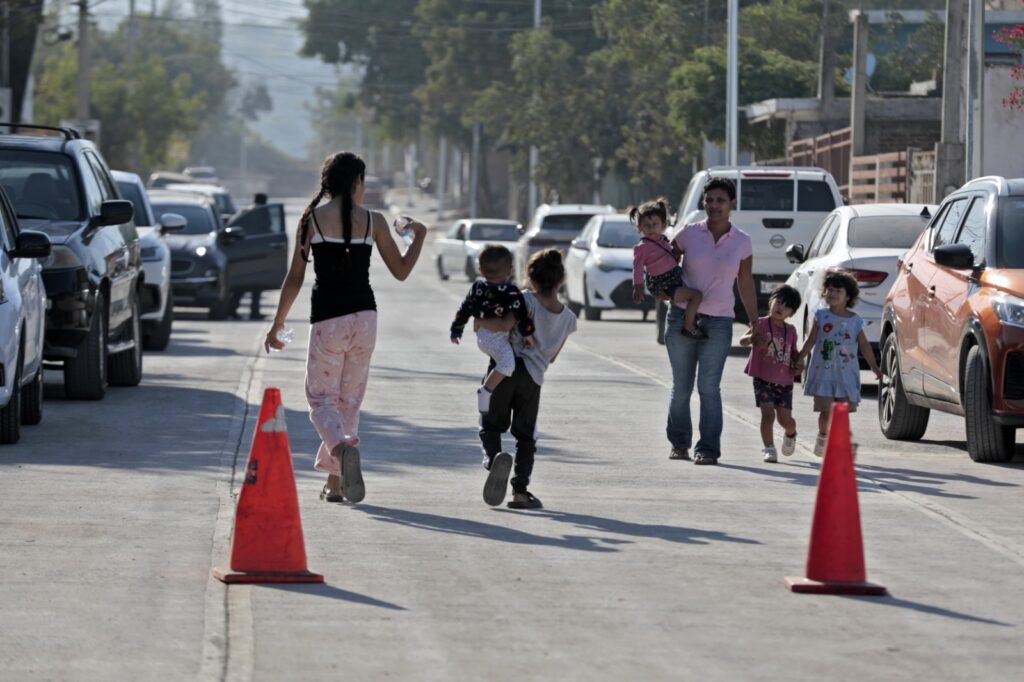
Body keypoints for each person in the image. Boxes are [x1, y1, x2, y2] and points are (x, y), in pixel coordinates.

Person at [264, 152, 427, 503]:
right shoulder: (375, 221)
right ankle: (335, 485)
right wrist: (420, 236)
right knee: (348, 402)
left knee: (321, 399)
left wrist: (277, 324)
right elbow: (401, 270)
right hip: (365, 319)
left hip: (328, 320)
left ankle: (340, 450)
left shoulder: (313, 220)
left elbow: (295, 277)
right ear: (356, 182)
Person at [665, 177, 760, 465]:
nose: (714, 206)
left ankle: (707, 448)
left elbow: (745, 283)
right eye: (709, 200)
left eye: (720, 200)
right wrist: (662, 291)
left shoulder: (742, 242)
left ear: (732, 204)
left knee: (708, 386)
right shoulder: (688, 234)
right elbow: (663, 264)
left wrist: (755, 321)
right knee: (681, 386)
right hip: (681, 317)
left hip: (719, 321)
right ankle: (679, 443)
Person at [479, 249, 577, 509]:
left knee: (490, 422)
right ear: (561, 280)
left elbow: (505, 325)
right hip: (532, 379)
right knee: (525, 436)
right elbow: (553, 357)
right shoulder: (569, 319)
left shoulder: (524, 300)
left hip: (504, 369)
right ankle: (520, 492)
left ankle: (492, 459)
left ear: (530, 278)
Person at [795, 269, 881, 456]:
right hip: (823, 373)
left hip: (846, 375)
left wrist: (875, 367)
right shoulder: (820, 316)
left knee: (842, 413)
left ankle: (839, 443)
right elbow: (811, 340)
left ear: (848, 296)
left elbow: (865, 346)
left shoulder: (856, 321)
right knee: (825, 411)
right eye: (830, 290)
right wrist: (800, 357)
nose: (832, 294)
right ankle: (822, 436)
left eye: (838, 291)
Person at [450, 245, 535, 414]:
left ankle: (491, 390)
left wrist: (456, 329)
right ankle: (486, 390)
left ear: (480, 269)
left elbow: (464, 309)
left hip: (483, 336)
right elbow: (522, 314)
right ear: (510, 270)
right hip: (496, 337)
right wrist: (528, 334)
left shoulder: (477, 288)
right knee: (507, 364)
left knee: (503, 362)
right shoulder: (512, 292)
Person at [740, 285, 802, 463]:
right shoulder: (759, 323)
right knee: (768, 415)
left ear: (791, 313)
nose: (781, 307)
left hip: (784, 381)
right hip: (763, 378)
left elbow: (794, 352)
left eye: (787, 306)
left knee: (785, 419)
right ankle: (769, 447)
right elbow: (742, 340)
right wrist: (752, 339)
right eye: (779, 302)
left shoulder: (791, 331)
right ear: (770, 302)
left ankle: (791, 433)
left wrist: (799, 362)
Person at [630, 198, 705, 338]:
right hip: (664, 284)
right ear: (639, 228)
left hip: (676, 277)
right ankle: (689, 326)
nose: (651, 228)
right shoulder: (642, 248)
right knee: (696, 296)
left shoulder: (664, 240)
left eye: (654, 224)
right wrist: (638, 286)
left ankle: (691, 320)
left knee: (700, 292)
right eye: (646, 225)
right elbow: (638, 268)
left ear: (663, 225)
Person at [230, 193, 270, 320]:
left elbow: (232, 224)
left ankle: (232, 309)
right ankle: (254, 312)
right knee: (257, 284)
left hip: (245, 251)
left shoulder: (246, 212)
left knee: (243, 282)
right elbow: (268, 229)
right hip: (259, 252)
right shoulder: (264, 212)